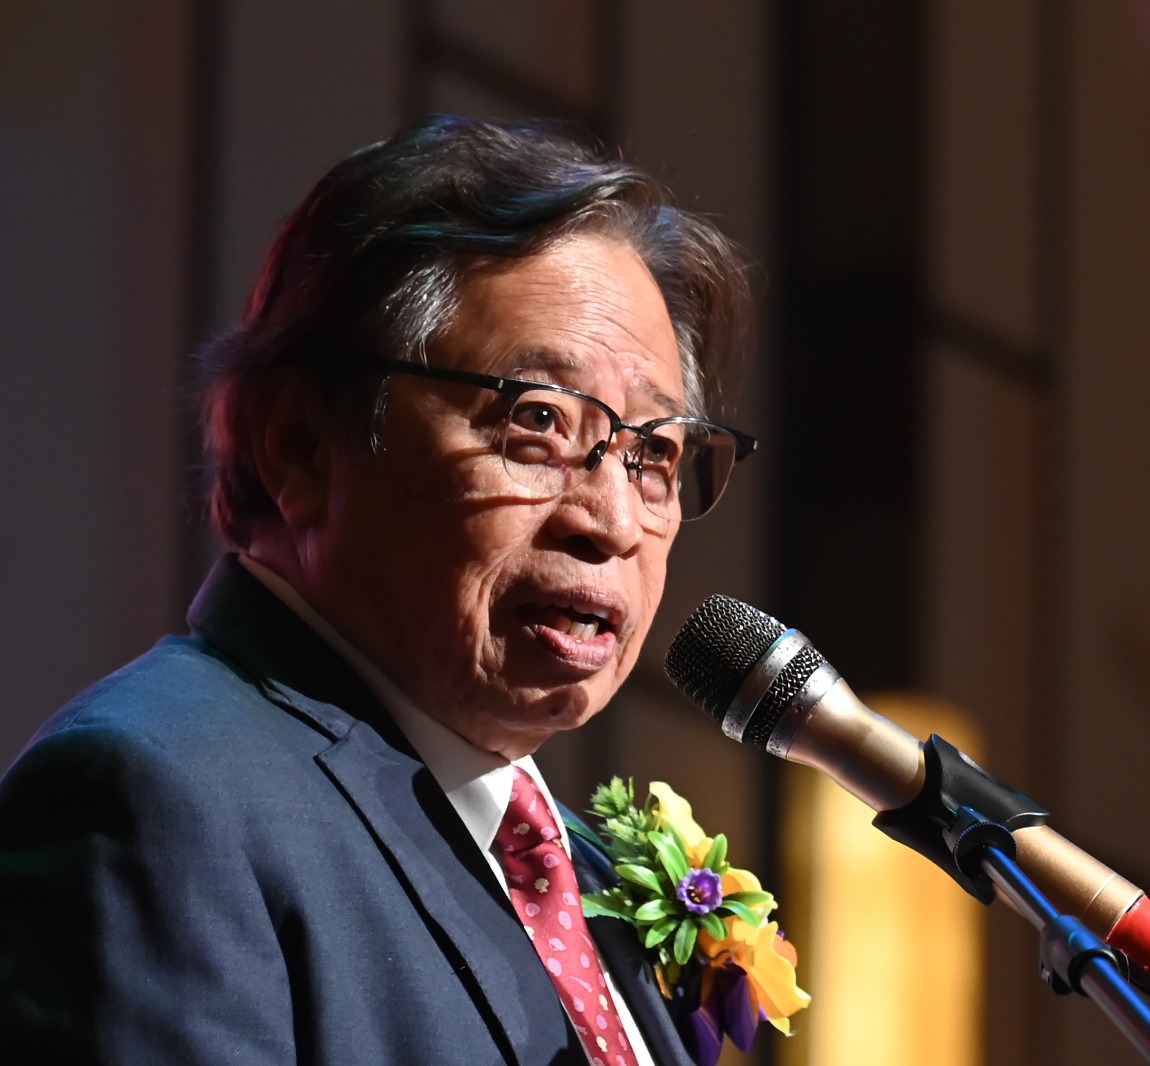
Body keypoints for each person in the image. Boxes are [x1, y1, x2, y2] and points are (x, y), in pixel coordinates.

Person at [0, 114, 758, 1065]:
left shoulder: (579, 869)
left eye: (654, 454)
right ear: (299, 446)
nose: (611, 520)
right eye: (537, 421)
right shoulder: (161, 797)